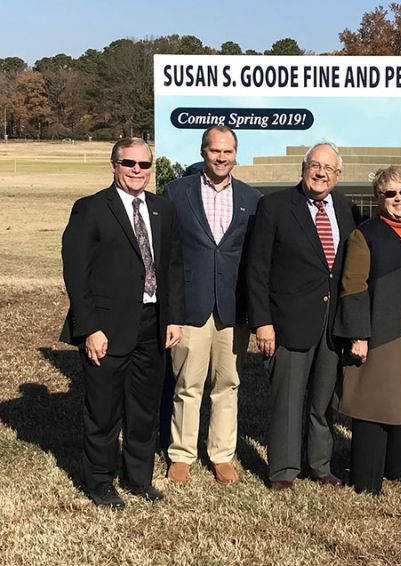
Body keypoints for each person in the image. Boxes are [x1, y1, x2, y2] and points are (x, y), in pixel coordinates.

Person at [60, 137, 184, 510]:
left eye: (144, 165)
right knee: (104, 409)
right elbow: (76, 274)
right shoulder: (91, 209)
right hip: (107, 327)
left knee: (144, 408)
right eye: (128, 163)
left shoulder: (163, 209)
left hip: (153, 323)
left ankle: (138, 478)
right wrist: (89, 328)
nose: (136, 170)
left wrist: (174, 317)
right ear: (113, 165)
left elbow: (173, 267)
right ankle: (100, 482)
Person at [246, 142, 361, 490]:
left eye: (328, 168)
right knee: (288, 399)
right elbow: (256, 269)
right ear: (303, 167)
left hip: (332, 323)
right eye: (315, 165)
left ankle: (320, 465)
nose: (321, 172)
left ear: (338, 176)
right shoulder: (275, 206)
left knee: (323, 401)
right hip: (288, 321)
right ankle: (283, 470)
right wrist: (262, 322)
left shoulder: (345, 209)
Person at [163, 126, 262, 486]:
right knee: (188, 384)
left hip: (233, 308)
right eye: (215, 151)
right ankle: (181, 456)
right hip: (191, 304)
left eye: (228, 151)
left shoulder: (252, 198)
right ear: (203, 151)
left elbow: (255, 256)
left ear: (236, 154)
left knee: (228, 383)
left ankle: (221, 456)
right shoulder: (177, 192)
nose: (221, 157)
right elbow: (168, 254)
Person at [333, 166, 401, 496]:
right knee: (372, 404)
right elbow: (353, 286)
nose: (398, 199)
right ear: (379, 198)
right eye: (390, 193)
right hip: (380, 333)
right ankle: (366, 479)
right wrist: (358, 334)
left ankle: (398, 468)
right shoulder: (365, 235)